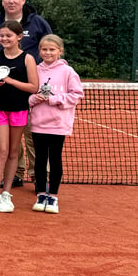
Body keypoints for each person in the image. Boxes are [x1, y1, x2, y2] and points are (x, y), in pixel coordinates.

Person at [0, 0, 52, 186]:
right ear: (2, 1)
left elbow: (50, 47)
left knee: (33, 134)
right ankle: (16, 174)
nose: (11, 1)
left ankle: (40, 176)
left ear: (23, 0)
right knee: (12, 141)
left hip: (32, 91)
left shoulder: (37, 23)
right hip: (4, 96)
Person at [0, 21, 38, 212]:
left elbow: (33, 87)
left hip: (19, 109)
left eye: (8, 35)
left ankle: (6, 193)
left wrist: (9, 81)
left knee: (13, 152)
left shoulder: (28, 59)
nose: (4, 39)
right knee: (1, 150)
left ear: (18, 37)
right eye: (1, 36)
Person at [29, 35, 83, 214]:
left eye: (52, 49)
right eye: (44, 49)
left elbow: (76, 95)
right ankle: (41, 194)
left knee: (55, 159)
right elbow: (28, 94)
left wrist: (54, 99)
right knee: (40, 159)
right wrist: (33, 99)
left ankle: (53, 196)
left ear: (60, 51)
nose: (48, 53)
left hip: (59, 124)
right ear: (39, 51)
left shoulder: (68, 72)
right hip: (38, 123)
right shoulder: (35, 70)